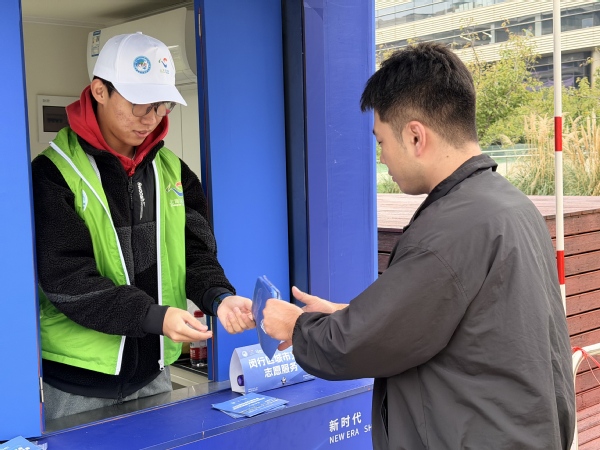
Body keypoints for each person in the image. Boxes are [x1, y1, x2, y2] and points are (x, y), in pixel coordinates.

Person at [263, 42, 575, 449]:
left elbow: (354, 346)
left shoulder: (450, 228)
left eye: (381, 142)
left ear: (415, 136)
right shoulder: (508, 204)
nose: (382, 158)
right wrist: (345, 313)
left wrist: (296, 327)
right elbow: (453, 320)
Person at [32, 32, 254, 420]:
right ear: (100, 91)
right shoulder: (52, 174)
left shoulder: (173, 172)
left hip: (153, 374)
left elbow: (196, 255)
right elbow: (67, 280)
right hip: (76, 383)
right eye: (139, 104)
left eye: (162, 105)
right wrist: (155, 317)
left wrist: (220, 297)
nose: (151, 118)